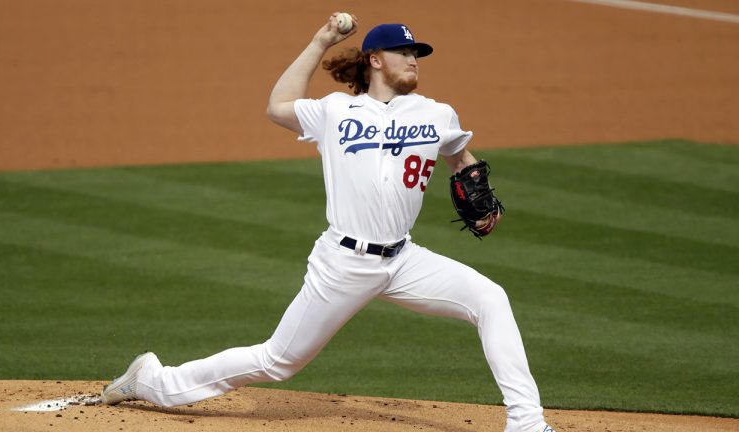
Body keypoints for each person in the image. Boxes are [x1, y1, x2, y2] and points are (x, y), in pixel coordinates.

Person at [101, 13, 555, 432]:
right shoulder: (335, 110)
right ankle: (153, 381)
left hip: (404, 259)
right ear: (375, 60)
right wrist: (320, 41)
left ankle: (526, 423)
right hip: (344, 263)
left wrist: (472, 181)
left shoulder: (437, 113)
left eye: (416, 54)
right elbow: (278, 105)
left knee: (490, 299)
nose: (413, 60)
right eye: (403, 52)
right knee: (278, 361)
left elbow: (461, 158)